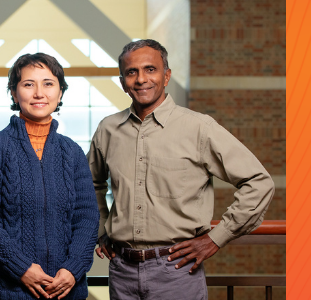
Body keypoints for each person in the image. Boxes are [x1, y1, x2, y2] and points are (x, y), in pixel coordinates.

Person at [88, 39, 275, 299]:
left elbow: (258, 181)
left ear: (166, 76)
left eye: (150, 69)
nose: (141, 79)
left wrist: (215, 238)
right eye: (132, 72)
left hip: (176, 270)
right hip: (122, 272)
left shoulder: (199, 128)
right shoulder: (108, 129)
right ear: (123, 82)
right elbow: (90, 185)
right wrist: (102, 229)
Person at [0, 53, 99, 300]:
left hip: (67, 291)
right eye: (28, 84)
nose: (39, 93)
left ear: (60, 93)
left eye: (48, 84)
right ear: (14, 94)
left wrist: (73, 269)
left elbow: (87, 217)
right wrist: (21, 267)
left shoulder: (72, 152)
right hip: (8, 290)